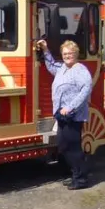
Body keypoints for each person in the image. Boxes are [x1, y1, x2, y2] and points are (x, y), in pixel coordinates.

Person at [36, 38, 94, 190]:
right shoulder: (62, 68)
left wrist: (70, 107)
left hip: (73, 116)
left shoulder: (80, 70)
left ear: (76, 54)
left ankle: (81, 179)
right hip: (62, 115)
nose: (68, 56)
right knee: (63, 146)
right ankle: (75, 174)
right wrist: (45, 50)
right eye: (65, 53)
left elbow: (86, 89)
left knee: (72, 148)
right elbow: (51, 65)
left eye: (71, 53)